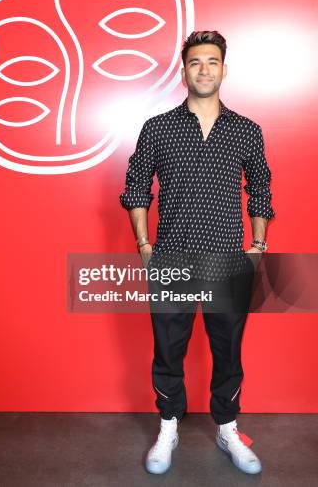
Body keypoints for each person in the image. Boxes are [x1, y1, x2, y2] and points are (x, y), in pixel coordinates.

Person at [119, 30, 275, 475]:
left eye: (211, 61)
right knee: (169, 349)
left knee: (228, 351)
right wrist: (145, 245)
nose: (203, 69)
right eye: (194, 62)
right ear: (183, 70)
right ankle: (168, 426)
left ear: (224, 69)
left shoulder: (246, 130)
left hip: (227, 260)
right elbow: (135, 189)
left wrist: (258, 246)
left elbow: (260, 189)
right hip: (171, 258)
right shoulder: (158, 128)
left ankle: (227, 427)